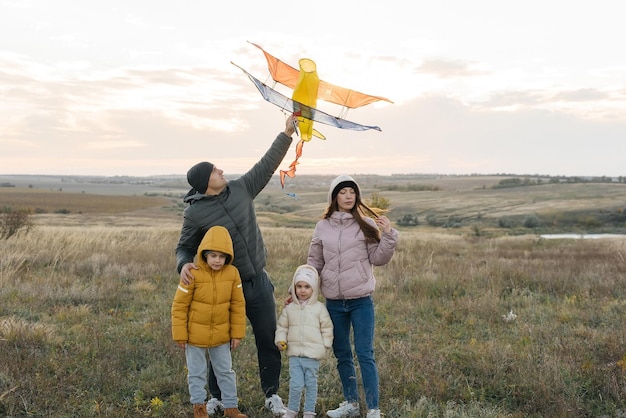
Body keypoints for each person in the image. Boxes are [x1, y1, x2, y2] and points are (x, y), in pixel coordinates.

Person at [175, 116, 298, 416]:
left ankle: (272, 395)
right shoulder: (195, 215)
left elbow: (266, 164)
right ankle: (216, 397)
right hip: (224, 287)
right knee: (219, 342)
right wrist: (183, 265)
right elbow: (184, 247)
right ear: (207, 183)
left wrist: (286, 133)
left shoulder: (242, 189)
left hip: (257, 282)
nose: (222, 170)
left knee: (268, 339)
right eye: (216, 170)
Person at [307, 175, 399, 418]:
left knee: (365, 353)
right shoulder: (322, 226)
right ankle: (351, 403)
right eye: (343, 192)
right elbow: (314, 262)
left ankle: (373, 409)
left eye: (352, 192)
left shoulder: (366, 223)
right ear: (334, 196)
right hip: (334, 302)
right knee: (342, 353)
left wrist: (388, 235)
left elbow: (378, 258)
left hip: (361, 300)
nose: (348, 196)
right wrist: (302, 288)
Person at [171, 226, 247, 418]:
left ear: (228, 257)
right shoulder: (192, 273)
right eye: (213, 255)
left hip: (221, 336)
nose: (217, 260)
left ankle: (231, 408)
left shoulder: (233, 274)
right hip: (194, 336)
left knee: (226, 372)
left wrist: (237, 333)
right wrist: (180, 334)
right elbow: (179, 306)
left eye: (222, 256)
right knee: (196, 374)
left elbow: (238, 305)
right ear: (204, 253)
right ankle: (199, 409)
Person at [275, 264, 334, 418]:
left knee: (311, 384)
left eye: (307, 286)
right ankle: (292, 410)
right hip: (295, 354)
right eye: (299, 286)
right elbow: (282, 327)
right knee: (295, 385)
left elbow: (327, 327)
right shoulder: (289, 309)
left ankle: (309, 411)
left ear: (313, 288)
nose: (302, 290)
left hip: (313, 355)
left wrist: (326, 344)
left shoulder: (320, 308)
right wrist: (280, 340)